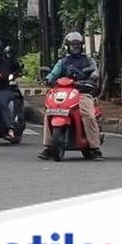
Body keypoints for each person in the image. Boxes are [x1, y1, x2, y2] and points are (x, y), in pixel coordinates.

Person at [40, 32, 103, 160]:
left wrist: (91, 79)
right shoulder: (62, 62)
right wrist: (48, 79)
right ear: (67, 46)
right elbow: (53, 74)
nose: (75, 47)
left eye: (77, 44)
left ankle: (95, 148)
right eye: (72, 45)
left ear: (82, 46)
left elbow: (95, 73)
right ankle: (48, 146)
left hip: (82, 92)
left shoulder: (88, 60)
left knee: (88, 115)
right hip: (62, 92)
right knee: (49, 112)